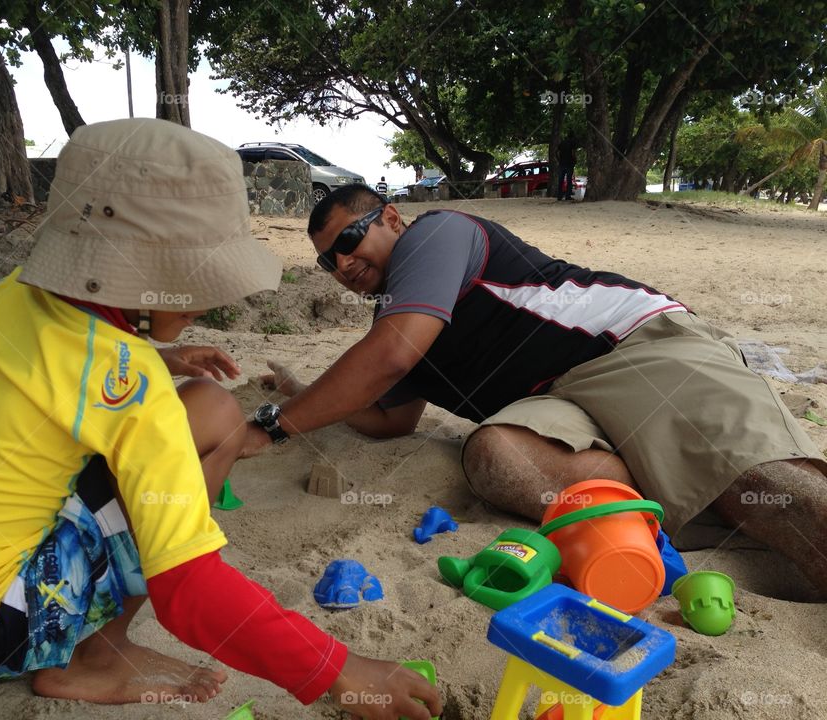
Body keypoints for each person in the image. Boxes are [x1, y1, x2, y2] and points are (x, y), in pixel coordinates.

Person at [0, 122, 440, 720]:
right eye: (199, 283)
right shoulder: (131, 385)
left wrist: (161, 356)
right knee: (210, 419)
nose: (209, 303)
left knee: (194, 408)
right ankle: (94, 661)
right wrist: (339, 670)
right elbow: (187, 588)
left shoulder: (23, 294)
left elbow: (63, 369)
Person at [243, 184, 827, 596]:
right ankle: (655, 487)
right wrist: (302, 393)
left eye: (349, 238)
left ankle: (701, 476)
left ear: (392, 219)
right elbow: (388, 420)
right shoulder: (395, 322)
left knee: (756, 480)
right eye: (326, 261)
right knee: (494, 456)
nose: (342, 262)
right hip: (558, 405)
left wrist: (272, 425)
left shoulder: (437, 234)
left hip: (627, 347)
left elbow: (388, 358)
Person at [557, 135, 576, 201]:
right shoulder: (572, 143)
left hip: (562, 164)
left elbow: (558, 153)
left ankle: (559, 196)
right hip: (569, 164)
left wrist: (559, 160)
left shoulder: (561, 143)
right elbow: (573, 153)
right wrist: (574, 160)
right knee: (569, 180)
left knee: (560, 180)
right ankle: (568, 196)